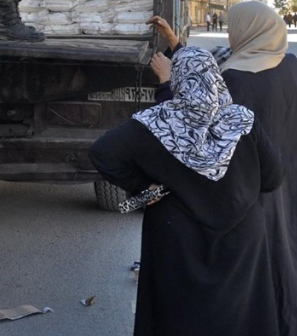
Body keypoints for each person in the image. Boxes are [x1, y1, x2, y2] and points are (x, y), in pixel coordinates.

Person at [90, 47, 285, 335]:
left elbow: (102, 153)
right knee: (240, 313)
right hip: (242, 236)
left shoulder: (155, 122)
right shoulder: (241, 119)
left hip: (176, 236)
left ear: (178, 79)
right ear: (215, 77)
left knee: (176, 313)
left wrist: (144, 188)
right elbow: (273, 178)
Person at [220, 1, 297, 336]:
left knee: (254, 254)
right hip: (289, 175)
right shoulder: (291, 66)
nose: (231, 33)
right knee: (288, 246)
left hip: (247, 180)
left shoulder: (230, 77)